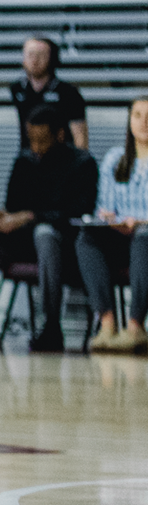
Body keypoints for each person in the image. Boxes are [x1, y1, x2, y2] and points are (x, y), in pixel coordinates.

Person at [0, 106, 96, 353]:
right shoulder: (24, 160)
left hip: (60, 246)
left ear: (60, 135)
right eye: (31, 140)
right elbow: (14, 205)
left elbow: (77, 214)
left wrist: (30, 216)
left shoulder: (82, 164)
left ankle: (51, 326)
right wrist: (5, 216)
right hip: (19, 241)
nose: (36, 148)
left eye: (42, 141)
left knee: (45, 234)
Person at [81, 96, 148, 352]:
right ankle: (107, 323)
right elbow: (105, 208)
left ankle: (135, 327)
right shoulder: (114, 158)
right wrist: (109, 219)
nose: (144, 122)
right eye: (138, 116)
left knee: (144, 236)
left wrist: (140, 221)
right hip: (119, 235)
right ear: (129, 121)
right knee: (87, 237)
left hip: (145, 236)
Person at [11, 37, 88, 151]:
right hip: (30, 158)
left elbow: (80, 137)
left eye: (40, 55)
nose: (35, 60)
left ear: (52, 58)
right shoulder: (17, 90)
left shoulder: (68, 93)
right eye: (30, 54)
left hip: (63, 159)